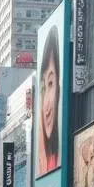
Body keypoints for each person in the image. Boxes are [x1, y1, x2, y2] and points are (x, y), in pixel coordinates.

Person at [35, 24, 61, 177]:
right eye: (43, 89)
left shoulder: (58, 159)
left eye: (51, 84)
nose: (46, 105)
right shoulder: (42, 163)